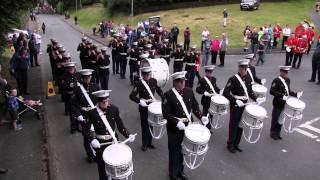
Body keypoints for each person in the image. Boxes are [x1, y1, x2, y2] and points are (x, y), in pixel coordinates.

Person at [162, 71, 208, 180]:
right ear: (175, 82)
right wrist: (177, 122)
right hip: (174, 129)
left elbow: (195, 106)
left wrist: (201, 116)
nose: (183, 84)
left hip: (187, 127)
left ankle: (180, 171)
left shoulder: (189, 91)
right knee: (174, 151)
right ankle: (173, 174)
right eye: (181, 82)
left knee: (183, 150)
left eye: (184, 81)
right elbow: (166, 114)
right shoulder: (168, 95)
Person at [84, 90, 135, 180]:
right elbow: (85, 130)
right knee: (103, 169)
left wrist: (128, 135)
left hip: (113, 142)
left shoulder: (114, 109)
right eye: (103, 102)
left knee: (115, 166)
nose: (105, 103)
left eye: (107, 101)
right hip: (100, 144)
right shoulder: (92, 113)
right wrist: (92, 140)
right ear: (98, 102)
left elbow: (120, 126)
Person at [223, 59, 261, 153]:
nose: (245, 70)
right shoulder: (233, 79)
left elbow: (249, 92)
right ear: (239, 68)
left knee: (241, 125)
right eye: (243, 68)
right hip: (236, 105)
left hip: (245, 105)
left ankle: (236, 144)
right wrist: (235, 100)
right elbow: (225, 92)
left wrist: (256, 98)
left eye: (246, 68)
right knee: (234, 125)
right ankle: (230, 144)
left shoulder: (248, 78)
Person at [129, 66, 164, 151]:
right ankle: (144, 144)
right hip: (144, 107)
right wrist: (140, 101)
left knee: (151, 125)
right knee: (145, 126)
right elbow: (131, 96)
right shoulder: (139, 84)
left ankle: (149, 142)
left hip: (152, 107)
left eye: (148, 74)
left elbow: (159, 90)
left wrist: (164, 98)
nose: (147, 76)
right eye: (145, 75)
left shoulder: (153, 81)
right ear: (143, 75)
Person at [70, 69, 100, 163]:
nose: (87, 79)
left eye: (89, 77)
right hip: (84, 115)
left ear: (91, 77)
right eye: (85, 78)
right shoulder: (78, 89)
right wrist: (78, 114)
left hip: (94, 114)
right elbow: (73, 104)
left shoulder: (95, 87)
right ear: (82, 78)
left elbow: (100, 101)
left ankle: (97, 153)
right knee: (87, 136)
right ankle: (90, 155)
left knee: (96, 134)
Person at [270, 66, 301, 140]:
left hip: (285, 103)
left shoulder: (287, 80)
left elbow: (288, 91)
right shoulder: (276, 80)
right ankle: (273, 133)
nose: (287, 73)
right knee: (275, 118)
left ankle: (278, 133)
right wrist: (281, 96)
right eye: (285, 72)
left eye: (287, 72)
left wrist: (296, 94)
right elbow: (271, 91)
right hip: (277, 103)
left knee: (281, 118)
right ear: (281, 72)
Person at [196, 65, 221, 130]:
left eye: (211, 72)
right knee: (205, 115)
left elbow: (215, 88)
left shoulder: (214, 79)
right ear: (206, 72)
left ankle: (209, 128)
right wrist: (204, 92)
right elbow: (198, 89)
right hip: (206, 101)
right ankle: (204, 128)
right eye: (208, 72)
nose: (209, 73)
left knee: (211, 115)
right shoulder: (202, 80)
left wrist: (220, 91)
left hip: (212, 101)